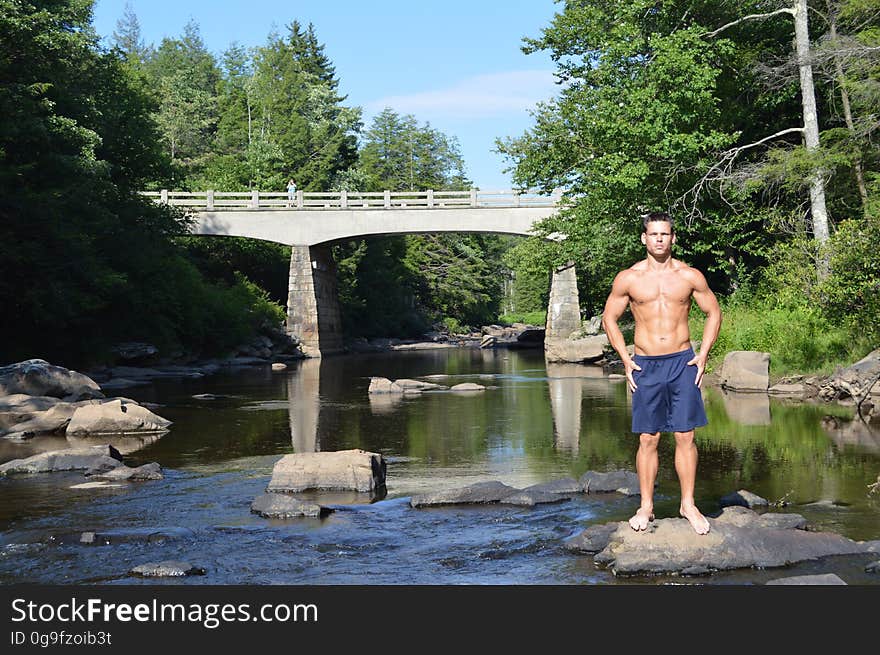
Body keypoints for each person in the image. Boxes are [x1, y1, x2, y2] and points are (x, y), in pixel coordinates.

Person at [601, 212, 722, 535]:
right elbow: (609, 318)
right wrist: (625, 359)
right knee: (648, 437)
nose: (658, 239)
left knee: (686, 435)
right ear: (643, 238)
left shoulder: (689, 276)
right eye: (653, 234)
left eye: (664, 234)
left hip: (682, 362)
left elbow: (713, 312)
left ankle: (688, 504)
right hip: (646, 364)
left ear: (673, 238)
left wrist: (704, 353)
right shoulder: (628, 278)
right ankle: (646, 506)